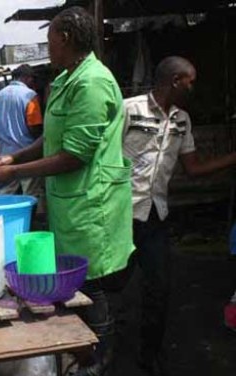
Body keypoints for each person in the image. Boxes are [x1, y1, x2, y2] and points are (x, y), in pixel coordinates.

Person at [0, 7, 134, 375]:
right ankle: (82, 355)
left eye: (49, 39)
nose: (47, 48)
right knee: (77, 285)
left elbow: (74, 155)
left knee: (92, 285)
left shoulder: (92, 83)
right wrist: (12, 156)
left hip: (91, 202)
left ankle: (97, 361)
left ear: (64, 39)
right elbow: (53, 140)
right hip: (71, 203)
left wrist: (14, 171)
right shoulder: (68, 79)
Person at [123, 56, 236, 374]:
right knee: (114, 287)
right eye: (190, 80)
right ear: (175, 81)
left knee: (159, 289)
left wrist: (232, 158)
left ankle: (149, 358)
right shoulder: (128, 110)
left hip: (156, 215)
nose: (193, 86)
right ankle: (104, 352)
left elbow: (194, 167)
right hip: (121, 213)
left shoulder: (183, 120)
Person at [0, 64, 44, 196]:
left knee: (8, 195)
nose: (32, 82)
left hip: (5, 156)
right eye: (32, 79)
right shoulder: (29, 95)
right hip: (27, 155)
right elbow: (34, 126)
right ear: (26, 78)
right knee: (32, 195)